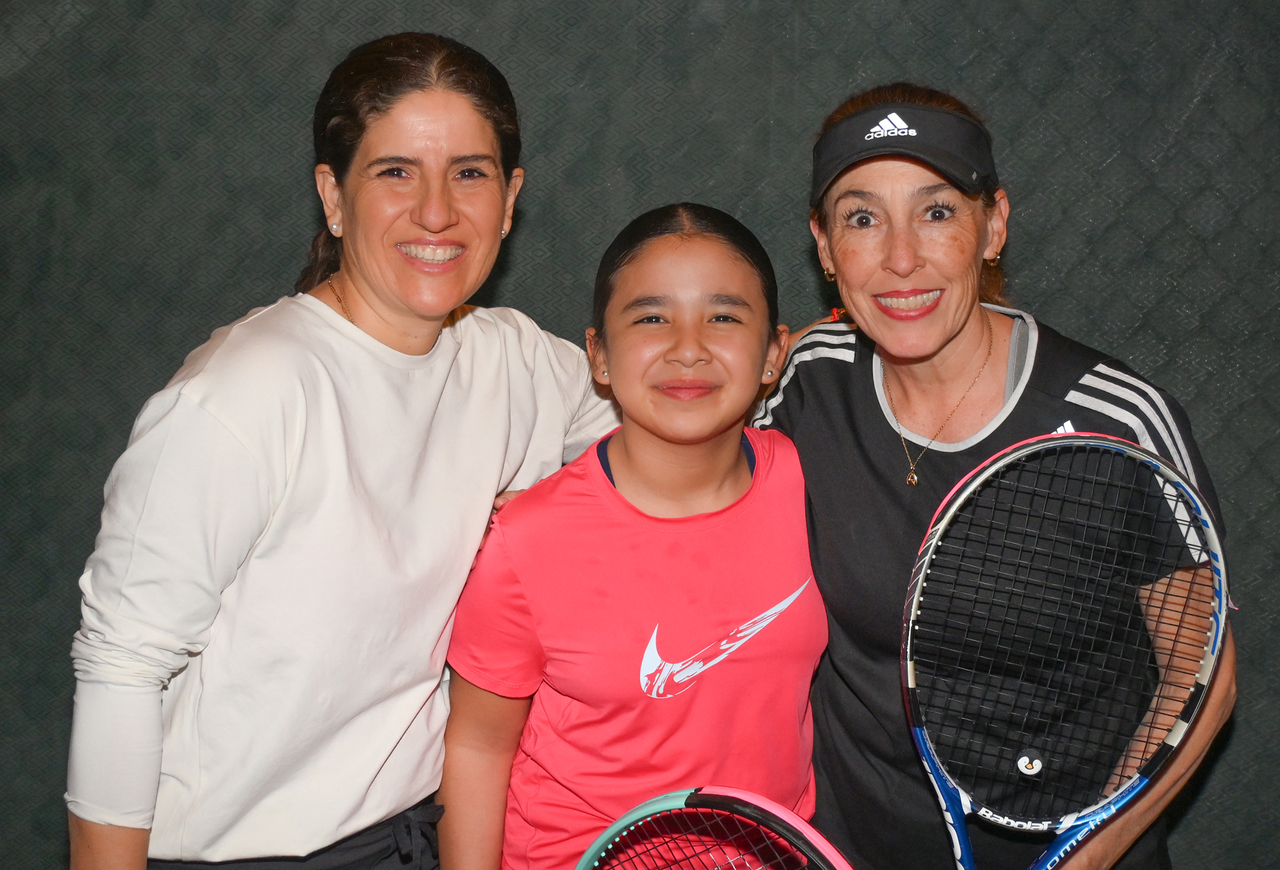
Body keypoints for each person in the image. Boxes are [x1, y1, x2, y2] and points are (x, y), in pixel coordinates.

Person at [65, 32, 617, 870]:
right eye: (396, 171)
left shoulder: (512, 359)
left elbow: (657, 434)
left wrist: (552, 516)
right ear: (333, 194)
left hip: (408, 839)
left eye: (469, 173)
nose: (437, 211)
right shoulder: (243, 393)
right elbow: (120, 668)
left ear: (510, 199)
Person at [755, 82, 1237, 870]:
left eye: (937, 211)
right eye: (862, 219)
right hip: (856, 846)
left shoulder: (1117, 419)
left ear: (994, 225)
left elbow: (1204, 672)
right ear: (824, 245)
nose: (900, 257)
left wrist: (1095, 849)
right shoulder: (809, 380)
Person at [436, 203, 825, 870]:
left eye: (724, 317)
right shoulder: (526, 541)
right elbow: (477, 749)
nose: (688, 348)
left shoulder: (803, 478)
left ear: (772, 354)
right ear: (599, 356)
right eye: (651, 318)